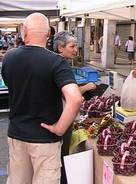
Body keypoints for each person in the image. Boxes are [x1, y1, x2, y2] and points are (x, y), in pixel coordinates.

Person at [1, 13, 82, 184]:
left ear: (24, 32)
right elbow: (75, 99)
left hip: (17, 135)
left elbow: (12, 86)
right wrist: (60, 128)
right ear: (48, 35)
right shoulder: (57, 62)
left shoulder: (9, 57)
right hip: (45, 140)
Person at [53, 31, 96, 184]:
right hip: (62, 118)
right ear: (60, 48)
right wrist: (86, 88)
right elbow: (69, 95)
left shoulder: (55, 62)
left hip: (58, 116)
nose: (75, 49)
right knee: (62, 154)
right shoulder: (60, 64)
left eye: (76, 46)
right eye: (72, 46)